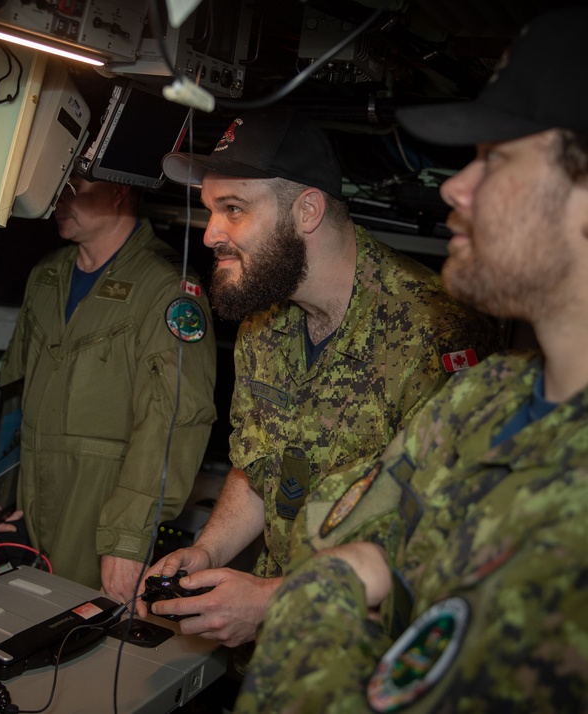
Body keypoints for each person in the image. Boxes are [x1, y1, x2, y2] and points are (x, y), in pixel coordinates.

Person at [235, 6, 588, 712]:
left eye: (499, 157)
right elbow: (333, 523)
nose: (456, 186)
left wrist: (330, 586)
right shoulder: (485, 396)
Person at [135, 107, 500, 656]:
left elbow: (454, 543)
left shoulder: (436, 332)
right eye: (211, 211)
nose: (210, 234)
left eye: (233, 209)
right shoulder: (265, 318)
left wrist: (270, 602)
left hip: (372, 661)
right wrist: (209, 550)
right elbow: (259, 465)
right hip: (277, 655)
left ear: (307, 210)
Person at [0, 175, 217, 605]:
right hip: (30, 494)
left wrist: (126, 538)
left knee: (81, 634)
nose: (60, 197)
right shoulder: (47, 275)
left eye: (75, 186)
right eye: (61, 183)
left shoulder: (166, 288)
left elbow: (173, 417)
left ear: (120, 190)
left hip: (103, 500)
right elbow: (10, 389)